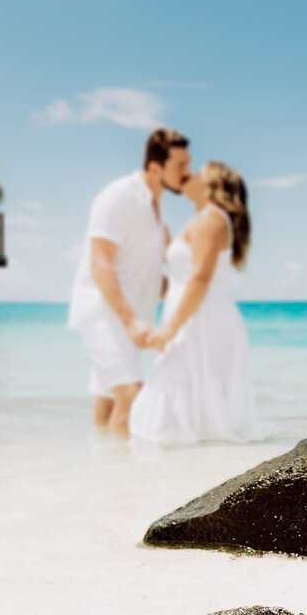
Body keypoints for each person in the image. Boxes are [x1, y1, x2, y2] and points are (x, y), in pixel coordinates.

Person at [67, 128, 190, 436]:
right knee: (133, 396)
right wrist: (131, 320)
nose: (187, 173)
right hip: (103, 314)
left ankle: (101, 472)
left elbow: (157, 275)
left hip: (127, 321)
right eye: (180, 165)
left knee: (106, 404)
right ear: (154, 167)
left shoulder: (158, 212)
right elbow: (100, 262)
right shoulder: (120, 196)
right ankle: (128, 481)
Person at [129, 161, 258, 445]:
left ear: (213, 186)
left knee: (170, 404)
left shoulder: (212, 217)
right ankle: (194, 471)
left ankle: (170, 474)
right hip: (198, 315)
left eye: (199, 173)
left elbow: (200, 278)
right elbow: (182, 277)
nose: (190, 174)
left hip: (201, 318)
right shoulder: (203, 219)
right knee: (186, 405)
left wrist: (168, 330)